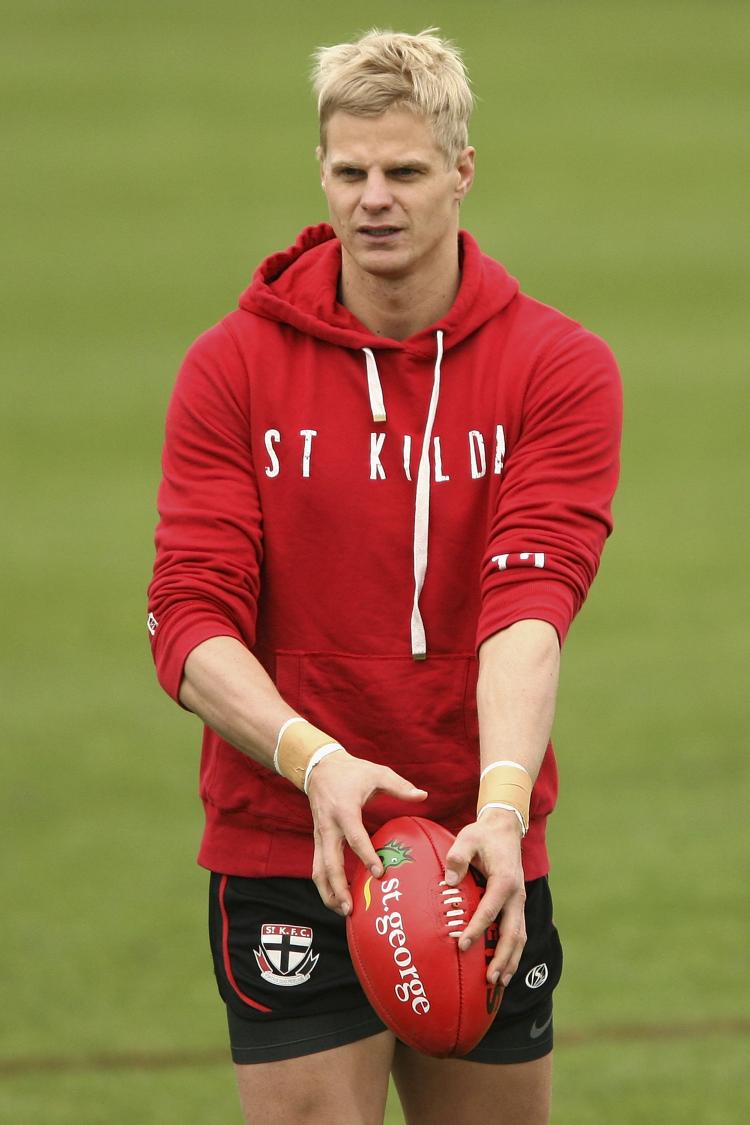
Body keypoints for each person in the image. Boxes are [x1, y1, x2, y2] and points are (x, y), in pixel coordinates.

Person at [147, 27, 621, 1125]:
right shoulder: (233, 368)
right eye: (350, 170)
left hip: (475, 847)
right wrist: (314, 764)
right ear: (322, 171)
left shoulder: (555, 368)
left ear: (461, 170)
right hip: (287, 836)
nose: (375, 199)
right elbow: (187, 618)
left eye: (404, 171)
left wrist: (501, 807)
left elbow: (528, 608)